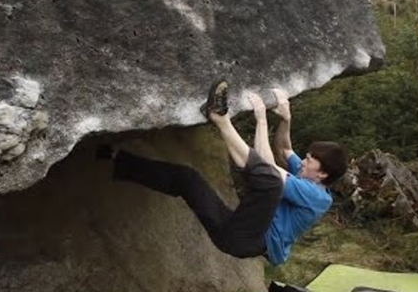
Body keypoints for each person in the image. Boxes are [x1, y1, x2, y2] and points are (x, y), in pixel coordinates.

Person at [95, 79, 349, 266]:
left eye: (310, 160)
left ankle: (219, 118)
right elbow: (284, 149)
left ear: (323, 175)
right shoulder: (307, 175)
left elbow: (269, 170)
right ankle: (116, 159)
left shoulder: (317, 198)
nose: (304, 160)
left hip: (249, 240)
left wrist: (261, 120)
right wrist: (286, 118)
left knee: (270, 182)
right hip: (234, 229)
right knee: (187, 179)